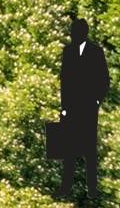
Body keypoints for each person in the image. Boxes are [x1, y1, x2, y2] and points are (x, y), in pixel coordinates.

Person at [53, 15, 108, 204]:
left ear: (83, 33)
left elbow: (104, 79)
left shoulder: (96, 52)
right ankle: (65, 187)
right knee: (69, 149)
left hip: (88, 108)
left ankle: (92, 189)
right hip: (71, 108)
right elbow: (64, 81)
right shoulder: (67, 52)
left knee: (89, 150)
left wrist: (96, 102)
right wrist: (64, 108)